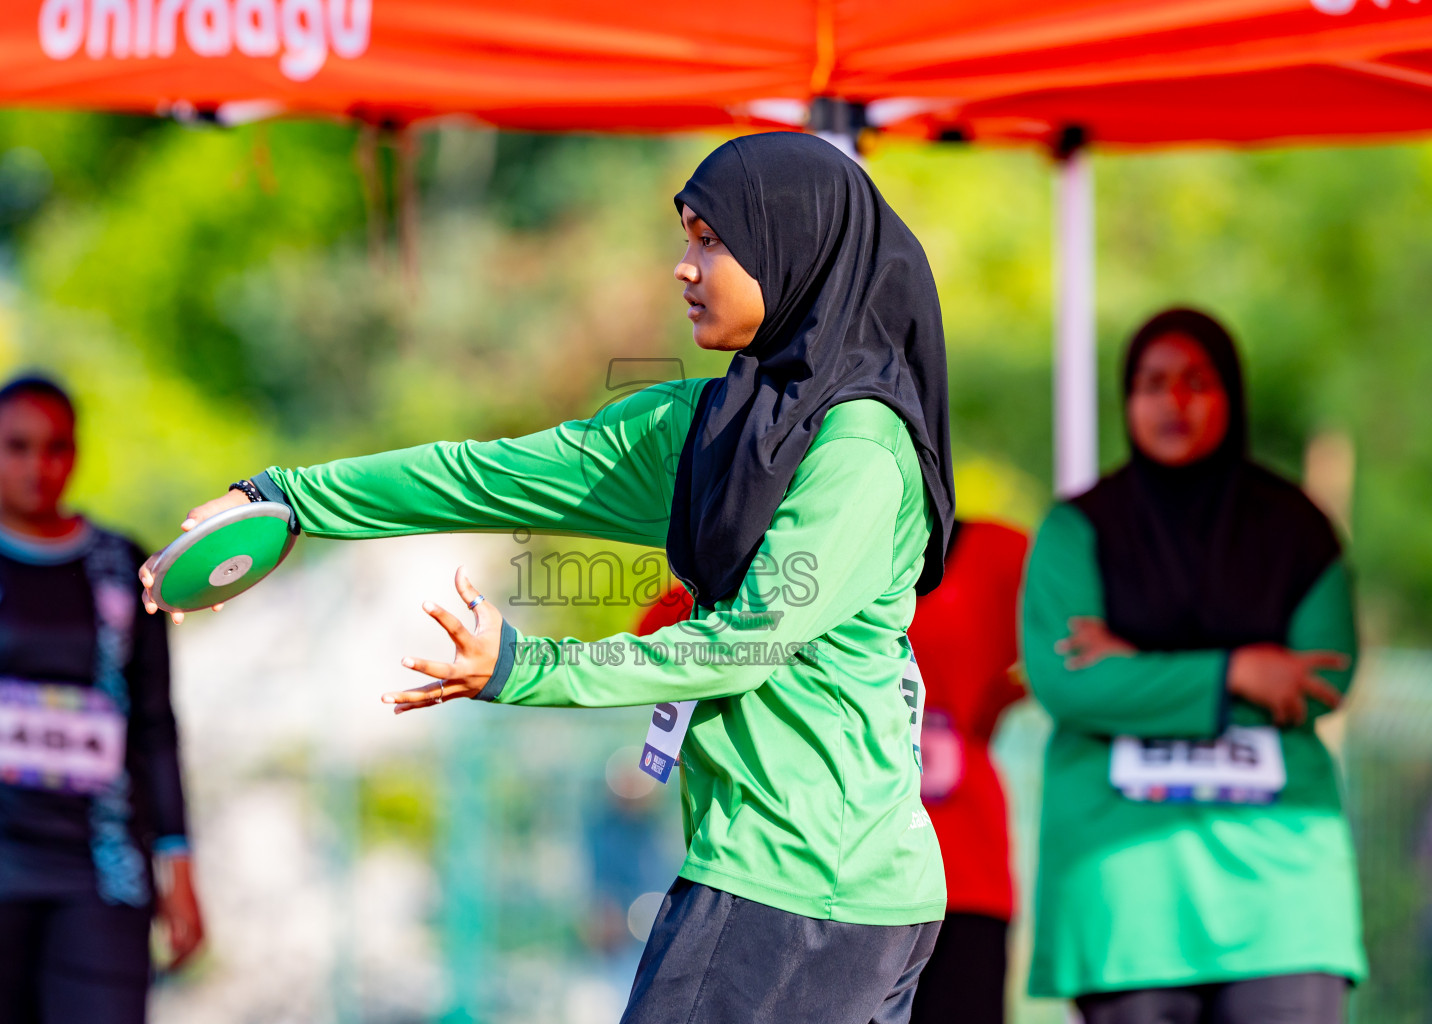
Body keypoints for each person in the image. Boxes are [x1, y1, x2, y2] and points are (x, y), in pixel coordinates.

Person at [147, 131, 957, 1024]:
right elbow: (484, 475)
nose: (683, 268)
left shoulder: (861, 450)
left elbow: (744, 644)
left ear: (794, 247)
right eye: (684, 237)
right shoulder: (708, 429)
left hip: (805, 893)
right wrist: (289, 497)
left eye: (711, 241)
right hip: (801, 889)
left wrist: (527, 669)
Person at [1020, 309, 1365, 1023]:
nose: (1173, 403)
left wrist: (1136, 672)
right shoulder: (1076, 530)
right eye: (1151, 384)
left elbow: (1321, 680)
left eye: (1196, 382)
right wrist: (1239, 673)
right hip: (1128, 894)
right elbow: (1067, 682)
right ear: (1127, 398)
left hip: (1280, 895)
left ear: (1230, 394)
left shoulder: (1298, 529)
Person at [0, 376, 204, 1024]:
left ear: (75, 454)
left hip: (99, 870)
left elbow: (153, 726)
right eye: (18, 446)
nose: (38, 466)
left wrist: (177, 862)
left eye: (55, 447)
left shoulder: (123, 569)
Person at [906, 519, 1029, 1024]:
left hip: (962, 866)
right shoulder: (800, 537)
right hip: (829, 868)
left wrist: (992, 703)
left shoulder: (1001, 554)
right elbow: (667, 620)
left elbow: (1067, 652)